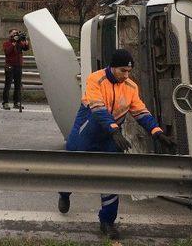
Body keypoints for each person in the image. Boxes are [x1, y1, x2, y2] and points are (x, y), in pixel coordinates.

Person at [57, 49, 175, 240]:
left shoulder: (130, 86)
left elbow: (140, 112)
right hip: (87, 130)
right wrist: (114, 129)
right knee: (73, 168)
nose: (126, 75)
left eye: (129, 71)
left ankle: (107, 221)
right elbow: (97, 108)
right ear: (112, 67)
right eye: (123, 71)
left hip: (111, 136)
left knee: (111, 177)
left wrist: (157, 132)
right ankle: (64, 192)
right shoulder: (96, 79)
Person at [2, 28, 30, 110]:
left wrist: (26, 42)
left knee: (18, 85)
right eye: (13, 33)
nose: (15, 34)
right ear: (10, 34)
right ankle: (5, 102)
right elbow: (7, 52)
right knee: (8, 85)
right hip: (9, 66)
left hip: (18, 65)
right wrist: (13, 44)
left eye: (16, 33)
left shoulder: (19, 42)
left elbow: (25, 48)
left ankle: (16, 102)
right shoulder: (7, 43)